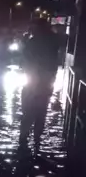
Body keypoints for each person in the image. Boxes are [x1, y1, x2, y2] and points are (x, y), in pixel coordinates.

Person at [19, 19, 61, 151]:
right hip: (42, 83)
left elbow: (25, 60)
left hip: (35, 83)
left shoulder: (34, 42)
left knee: (29, 112)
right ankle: (36, 141)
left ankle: (25, 140)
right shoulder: (50, 41)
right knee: (40, 113)